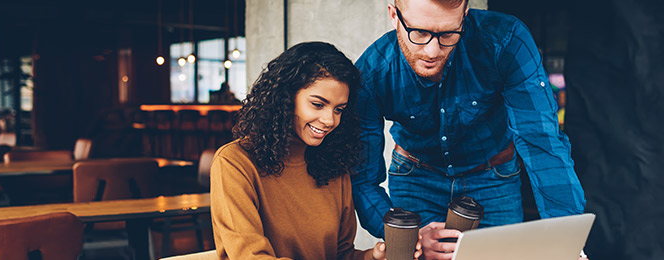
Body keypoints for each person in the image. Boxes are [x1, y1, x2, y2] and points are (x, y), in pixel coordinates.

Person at [351, 0, 587, 259]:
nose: (432, 51)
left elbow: (541, 141)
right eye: (419, 32)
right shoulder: (372, 72)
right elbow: (362, 179)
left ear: (464, 15)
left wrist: (567, 243)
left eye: (448, 34)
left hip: (493, 179)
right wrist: (411, 237)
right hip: (415, 177)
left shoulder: (506, 41)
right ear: (394, 16)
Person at [210, 41, 420, 260]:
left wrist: (372, 257)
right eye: (318, 104)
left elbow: (341, 255)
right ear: (286, 98)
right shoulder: (235, 163)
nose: (330, 120)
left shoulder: (334, 167)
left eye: (339, 109)